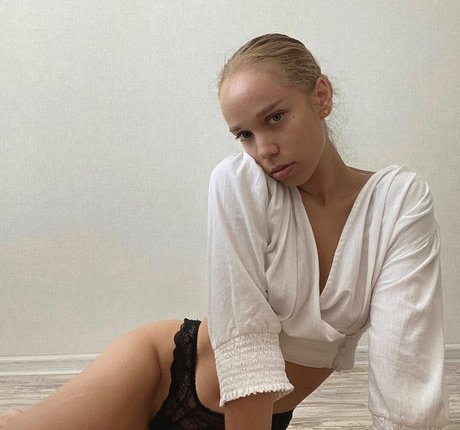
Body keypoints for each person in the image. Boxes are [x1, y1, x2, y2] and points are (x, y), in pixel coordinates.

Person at [0, 33, 449, 430]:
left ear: (321, 97)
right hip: (162, 376)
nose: (264, 149)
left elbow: (405, 371)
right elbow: (246, 341)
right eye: (244, 135)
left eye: (275, 118)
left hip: (266, 416)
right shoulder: (241, 184)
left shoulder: (398, 203)